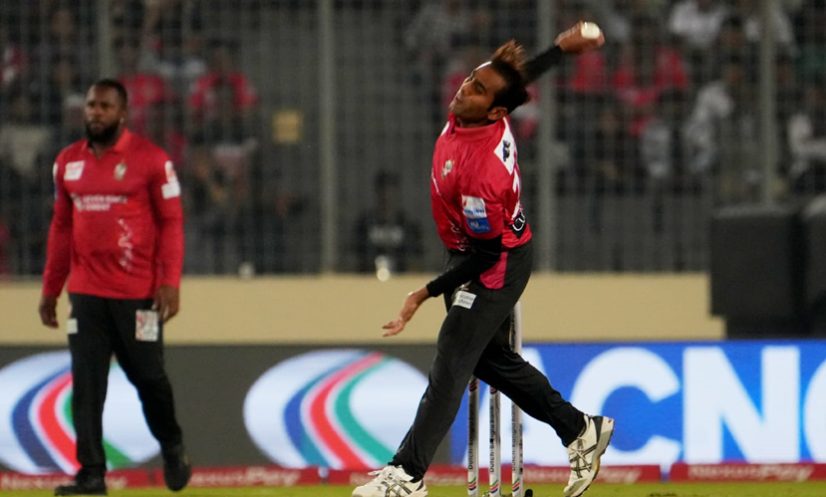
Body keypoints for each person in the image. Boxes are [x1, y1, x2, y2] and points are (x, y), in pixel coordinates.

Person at [352, 22, 612, 497]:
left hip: (494, 263)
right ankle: (580, 430)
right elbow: (513, 79)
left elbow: (488, 252)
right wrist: (559, 49)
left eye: (475, 90)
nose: (463, 90)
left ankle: (406, 475)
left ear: (495, 112)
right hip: (468, 249)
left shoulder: (481, 172)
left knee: (453, 355)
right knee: (489, 360)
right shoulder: (482, 109)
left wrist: (424, 292)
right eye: (470, 79)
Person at [37, 79, 191, 496]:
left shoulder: (152, 160)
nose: (96, 112)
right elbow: (61, 227)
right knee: (86, 385)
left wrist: (169, 282)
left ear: (123, 113)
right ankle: (91, 474)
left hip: (138, 295)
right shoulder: (67, 162)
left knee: (150, 380)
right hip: (87, 293)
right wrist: (51, 288)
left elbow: (172, 223)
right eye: (91, 105)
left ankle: (172, 444)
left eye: (105, 106)